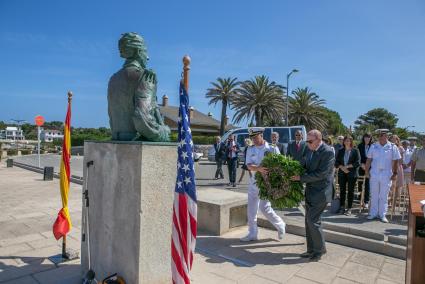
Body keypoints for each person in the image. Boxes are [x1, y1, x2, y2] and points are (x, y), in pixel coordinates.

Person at [291, 130, 335, 261]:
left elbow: (322, 174)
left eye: (310, 141)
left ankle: (319, 250)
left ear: (318, 139)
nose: (307, 144)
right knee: (308, 221)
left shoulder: (327, 152)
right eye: (307, 141)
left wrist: (300, 178)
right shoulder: (310, 149)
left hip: (321, 192)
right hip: (311, 191)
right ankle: (311, 249)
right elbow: (304, 164)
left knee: (313, 220)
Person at [240, 127, 286, 242]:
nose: (254, 140)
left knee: (264, 208)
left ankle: (280, 225)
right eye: (252, 138)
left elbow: (281, 164)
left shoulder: (272, 148)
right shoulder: (250, 149)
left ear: (261, 135)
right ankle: (252, 233)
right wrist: (258, 168)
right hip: (253, 183)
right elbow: (248, 165)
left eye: (256, 137)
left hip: (267, 184)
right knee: (251, 209)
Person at [365, 129, 401, 223]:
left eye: (383, 135)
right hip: (375, 173)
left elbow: (396, 160)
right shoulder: (373, 146)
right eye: (379, 135)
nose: (381, 137)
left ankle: (382, 214)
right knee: (374, 194)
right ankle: (373, 213)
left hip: (386, 173)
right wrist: (366, 171)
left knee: (384, 195)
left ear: (387, 136)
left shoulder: (392, 147)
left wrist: (395, 173)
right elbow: (369, 159)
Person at [334, 136, 360, 215]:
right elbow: (336, 162)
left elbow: (357, 163)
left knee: (350, 191)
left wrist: (347, 166)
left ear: (351, 142)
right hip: (342, 173)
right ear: (344, 142)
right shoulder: (341, 150)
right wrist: (342, 167)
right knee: (342, 191)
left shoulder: (355, 151)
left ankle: (349, 208)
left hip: (352, 174)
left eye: (349, 141)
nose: (347, 142)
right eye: (346, 140)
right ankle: (342, 207)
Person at [357, 133, 373, 208]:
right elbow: (357, 157)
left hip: (370, 168)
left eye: (368, 137)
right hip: (361, 167)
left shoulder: (373, 146)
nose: (367, 139)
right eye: (366, 137)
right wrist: (361, 164)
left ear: (370, 138)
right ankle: (360, 199)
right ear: (363, 138)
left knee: (367, 184)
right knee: (360, 183)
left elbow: (373, 158)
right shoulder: (360, 146)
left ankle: (366, 201)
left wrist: (368, 166)